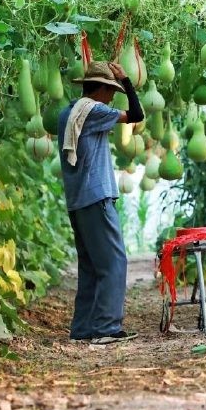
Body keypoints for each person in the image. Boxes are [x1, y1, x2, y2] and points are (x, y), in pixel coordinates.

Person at [58, 61, 144, 345]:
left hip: (77, 200)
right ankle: (106, 327)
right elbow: (136, 115)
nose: (113, 98)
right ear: (103, 89)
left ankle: (83, 328)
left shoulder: (67, 113)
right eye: (112, 91)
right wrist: (128, 80)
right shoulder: (94, 111)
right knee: (114, 261)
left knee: (91, 266)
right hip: (97, 197)